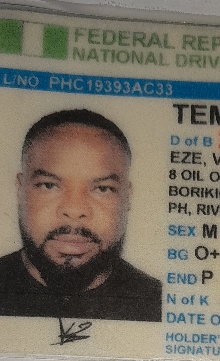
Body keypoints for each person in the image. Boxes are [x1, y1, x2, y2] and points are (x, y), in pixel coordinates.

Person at [0, 108, 161, 321]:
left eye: (102, 189)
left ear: (127, 197)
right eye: (49, 185)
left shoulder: (161, 304)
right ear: (20, 190)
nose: (74, 210)